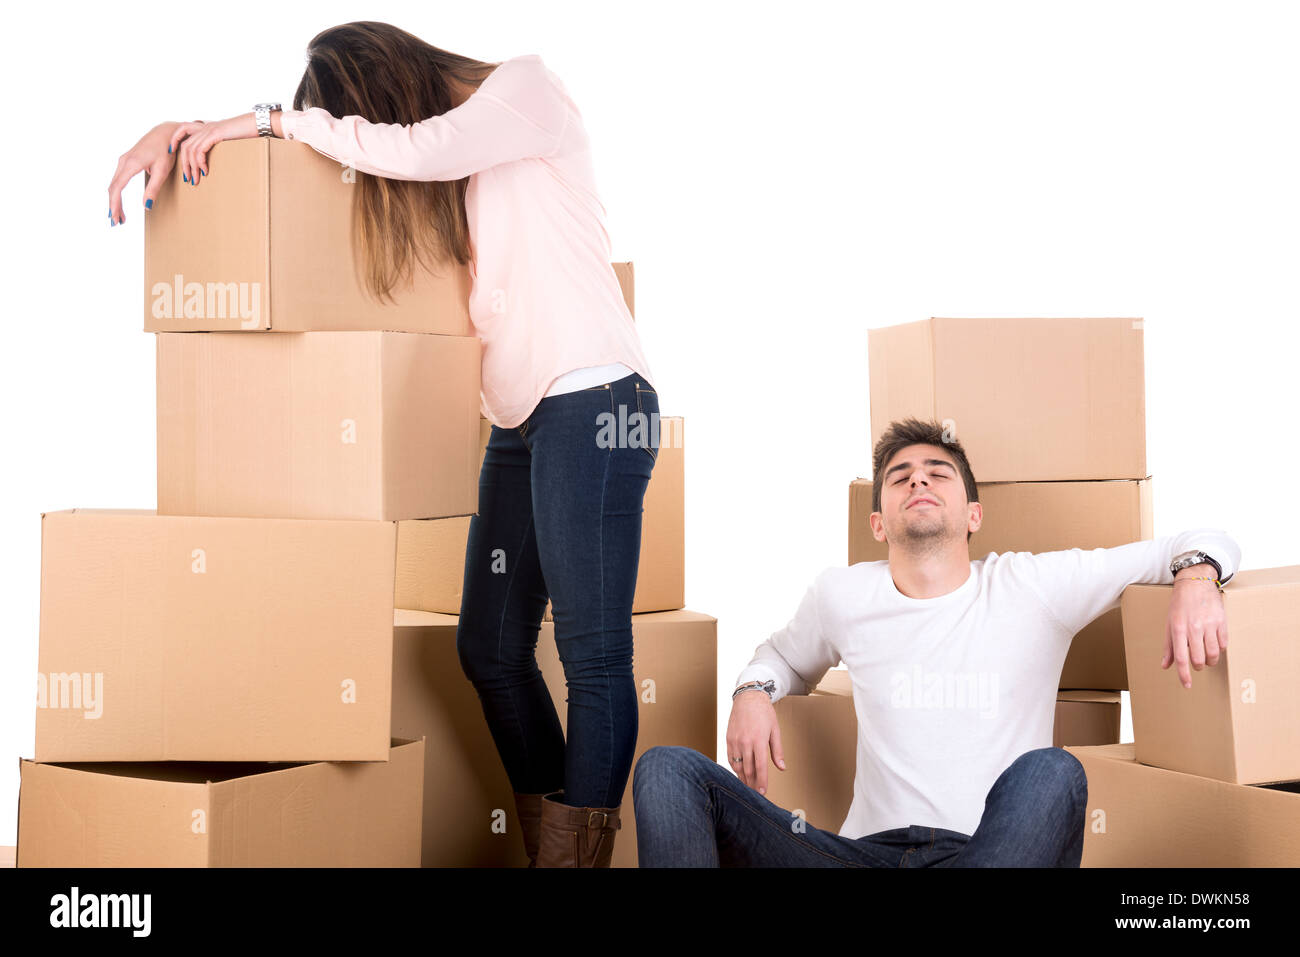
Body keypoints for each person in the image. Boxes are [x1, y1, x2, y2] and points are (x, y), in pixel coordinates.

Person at [108, 21, 658, 868]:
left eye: (355, 119)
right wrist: (187, 130)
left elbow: (419, 147)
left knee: (592, 650)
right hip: (521, 419)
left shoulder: (527, 89)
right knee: (489, 646)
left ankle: (570, 861)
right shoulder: (462, 161)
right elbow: (346, 168)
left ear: (386, 88)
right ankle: (554, 840)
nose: (366, 141)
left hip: (596, 397)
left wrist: (263, 120)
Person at [633, 416, 1239, 867]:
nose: (918, 481)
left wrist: (1195, 575)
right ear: (880, 523)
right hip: (858, 856)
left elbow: (1195, 538)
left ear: (972, 513)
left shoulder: (1032, 586)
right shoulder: (843, 594)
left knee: (1053, 771)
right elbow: (782, 657)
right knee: (666, 770)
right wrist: (751, 694)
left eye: (936, 473)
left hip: (984, 853)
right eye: (900, 478)